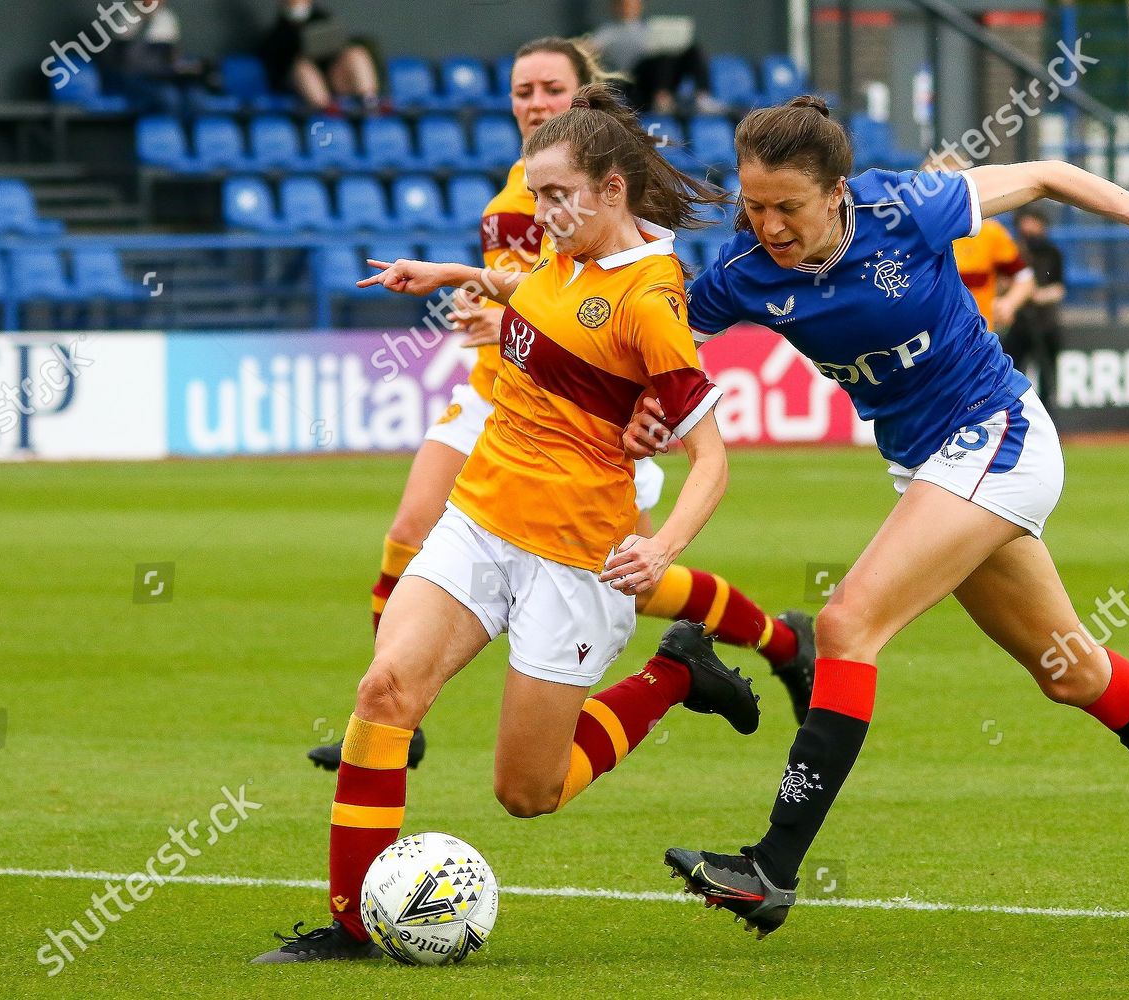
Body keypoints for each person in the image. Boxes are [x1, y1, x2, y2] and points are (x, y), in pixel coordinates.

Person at [630, 97, 1129, 937]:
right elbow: (660, 336)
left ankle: (772, 867)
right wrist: (642, 392)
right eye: (753, 207)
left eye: (787, 206)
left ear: (836, 191)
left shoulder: (906, 207)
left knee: (845, 624)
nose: (768, 226)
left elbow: (1051, 174)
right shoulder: (748, 271)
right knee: (1070, 673)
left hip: (999, 434)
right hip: (931, 467)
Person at [254, 84, 760, 963]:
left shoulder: (650, 300)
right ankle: (350, 926)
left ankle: (677, 673)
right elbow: (538, 290)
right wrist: (453, 275)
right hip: (478, 518)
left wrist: (662, 546)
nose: (544, 211)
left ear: (613, 189)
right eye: (537, 193)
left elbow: (710, 458)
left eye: (559, 194)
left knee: (527, 792)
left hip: (572, 557)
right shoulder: (567, 257)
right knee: (385, 693)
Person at [305, 37, 815, 774]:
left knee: (636, 586)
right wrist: (465, 281)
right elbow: (542, 287)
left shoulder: (601, 215)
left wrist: (643, 401)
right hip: (503, 396)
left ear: (582, 98)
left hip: (589, 423)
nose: (535, 103)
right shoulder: (527, 193)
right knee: (411, 527)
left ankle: (778, 641)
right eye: (522, 91)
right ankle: (397, 715)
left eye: (550, 89)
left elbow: (623, 322)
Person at [923, 152, 1035, 332]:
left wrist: (1009, 303)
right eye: (937, 189)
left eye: (953, 188)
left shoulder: (989, 232)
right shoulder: (908, 236)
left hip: (976, 344)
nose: (945, 198)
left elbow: (1024, 277)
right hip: (926, 347)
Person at [588, 0, 723, 114]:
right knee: (662, 55)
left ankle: (702, 97)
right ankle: (661, 99)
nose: (630, 8)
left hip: (662, 74)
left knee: (691, 49)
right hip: (635, 81)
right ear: (616, 7)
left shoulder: (648, 28)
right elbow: (591, 48)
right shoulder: (608, 32)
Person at [259, 0, 381, 112]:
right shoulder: (276, 34)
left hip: (335, 77)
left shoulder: (324, 19)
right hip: (306, 87)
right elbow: (279, 66)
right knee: (302, 68)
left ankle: (369, 103)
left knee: (355, 53)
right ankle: (328, 112)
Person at [1004, 205, 1066, 418]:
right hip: (1019, 323)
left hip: (1045, 323)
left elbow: (1058, 289)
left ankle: (1050, 421)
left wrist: (1036, 294)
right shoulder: (1013, 250)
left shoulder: (1052, 252)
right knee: (1010, 375)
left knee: (1047, 378)